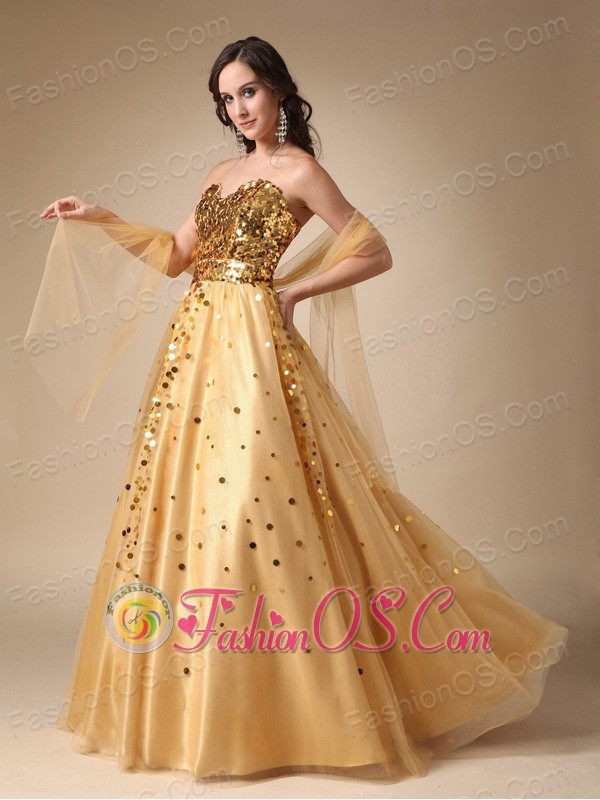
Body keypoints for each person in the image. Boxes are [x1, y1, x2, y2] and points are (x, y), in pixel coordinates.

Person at [29, 36, 568, 784]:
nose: (238, 108)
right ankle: (204, 704)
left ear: (279, 89)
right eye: (226, 98)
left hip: (254, 345)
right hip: (193, 351)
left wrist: (294, 292)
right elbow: (177, 258)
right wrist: (101, 217)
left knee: (259, 503)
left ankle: (310, 701)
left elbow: (373, 249)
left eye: (248, 91)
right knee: (189, 509)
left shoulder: (302, 171)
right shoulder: (219, 174)